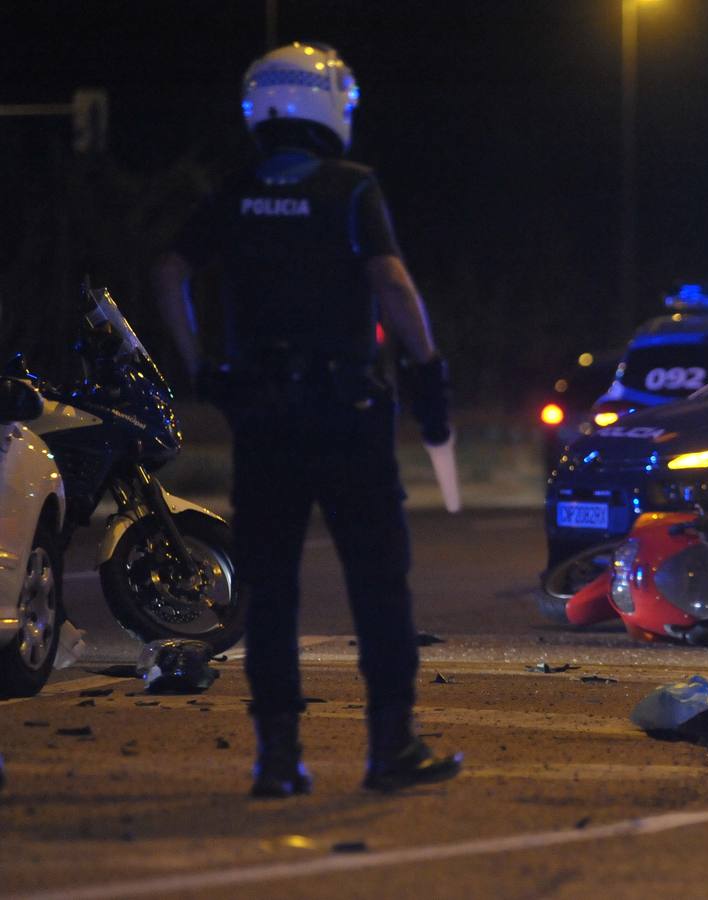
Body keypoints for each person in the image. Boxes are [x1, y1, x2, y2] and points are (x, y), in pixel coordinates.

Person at [154, 42, 461, 795]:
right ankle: (391, 748)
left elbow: (167, 271)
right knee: (378, 582)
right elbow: (390, 282)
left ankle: (277, 759)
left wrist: (201, 365)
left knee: (270, 588)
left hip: (262, 419)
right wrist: (427, 372)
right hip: (346, 414)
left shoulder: (231, 191)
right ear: (328, 105)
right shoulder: (351, 190)